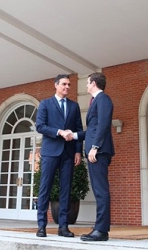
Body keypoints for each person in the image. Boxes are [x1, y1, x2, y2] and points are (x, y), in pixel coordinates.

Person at [35, 74, 83, 238]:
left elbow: (78, 129)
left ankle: (63, 227)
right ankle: (41, 226)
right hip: (50, 152)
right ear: (56, 85)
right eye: (64, 84)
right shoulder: (45, 104)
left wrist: (78, 151)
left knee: (66, 190)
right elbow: (40, 126)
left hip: (68, 154)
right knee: (45, 189)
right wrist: (59, 132)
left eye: (69, 85)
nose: (67, 87)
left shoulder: (74, 106)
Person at [78, 72, 115, 241]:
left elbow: (104, 124)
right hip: (94, 150)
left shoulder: (103, 99)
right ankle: (100, 227)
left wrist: (95, 147)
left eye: (87, 82)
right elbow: (92, 129)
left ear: (93, 83)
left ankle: (101, 231)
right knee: (98, 190)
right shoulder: (96, 101)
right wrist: (75, 136)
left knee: (101, 190)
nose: (85, 85)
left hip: (98, 151)